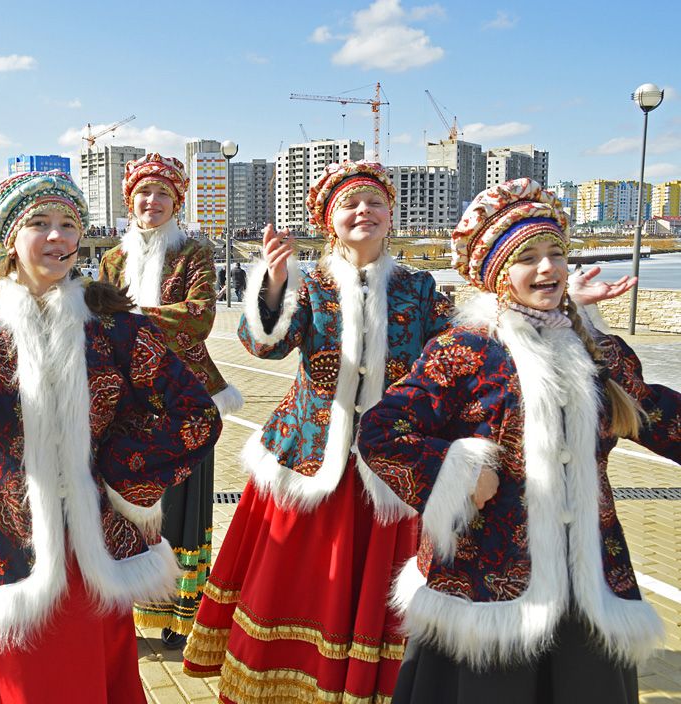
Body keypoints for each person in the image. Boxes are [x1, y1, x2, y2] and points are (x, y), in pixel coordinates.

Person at [0, 170, 222, 703]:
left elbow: (195, 414)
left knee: (76, 675)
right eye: (40, 223)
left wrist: (120, 473)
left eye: (68, 224)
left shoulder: (116, 328)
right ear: (10, 239)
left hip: (92, 547)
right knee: (8, 678)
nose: (58, 236)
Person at [358, 179, 678, 704]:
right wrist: (458, 469)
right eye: (528, 257)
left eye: (557, 253)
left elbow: (660, 416)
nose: (549, 268)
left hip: (590, 577)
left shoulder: (600, 352)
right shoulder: (465, 351)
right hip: (489, 579)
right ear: (499, 274)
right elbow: (381, 432)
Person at [182, 161, 456, 702]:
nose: (364, 212)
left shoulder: (420, 289)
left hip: (390, 463)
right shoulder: (313, 285)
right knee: (297, 579)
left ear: (391, 216)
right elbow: (264, 346)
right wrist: (274, 284)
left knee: (382, 585)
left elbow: (457, 358)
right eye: (351, 204)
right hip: (309, 452)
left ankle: (371, 684)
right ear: (330, 220)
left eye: (375, 203)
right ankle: (287, 681)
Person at [99, 153, 243, 649]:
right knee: (127, 503)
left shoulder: (193, 252)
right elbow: (99, 318)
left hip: (186, 399)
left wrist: (134, 319)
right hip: (127, 402)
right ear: (129, 200)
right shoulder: (113, 260)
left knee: (184, 506)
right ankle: (133, 605)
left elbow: (200, 315)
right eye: (143, 192)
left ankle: (184, 614)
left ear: (177, 202)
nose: (152, 202)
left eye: (163, 194)